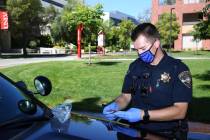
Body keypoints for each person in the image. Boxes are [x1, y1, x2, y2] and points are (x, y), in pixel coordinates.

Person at [102, 23, 192, 139]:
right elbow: (125, 96)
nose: (140, 53)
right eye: (137, 49)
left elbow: (180, 111)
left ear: (156, 43)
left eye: (143, 48)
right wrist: (115, 106)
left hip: (165, 133)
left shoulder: (178, 69)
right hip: (134, 130)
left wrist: (143, 115)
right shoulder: (135, 66)